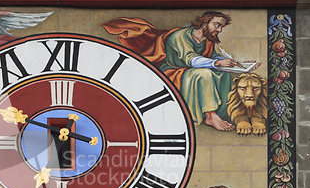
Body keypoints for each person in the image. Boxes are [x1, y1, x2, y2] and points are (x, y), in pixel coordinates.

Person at [102, 11, 260, 131]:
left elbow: (212, 57)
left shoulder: (207, 40)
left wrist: (239, 65)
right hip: (173, 73)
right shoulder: (180, 36)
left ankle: (225, 112)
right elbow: (191, 59)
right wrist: (217, 62)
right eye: (216, 25)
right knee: (204, 74)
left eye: (221, 27)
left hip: (188, 73)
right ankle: (210, 116)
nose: (219, 30)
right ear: (204, 23)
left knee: (222, 72)